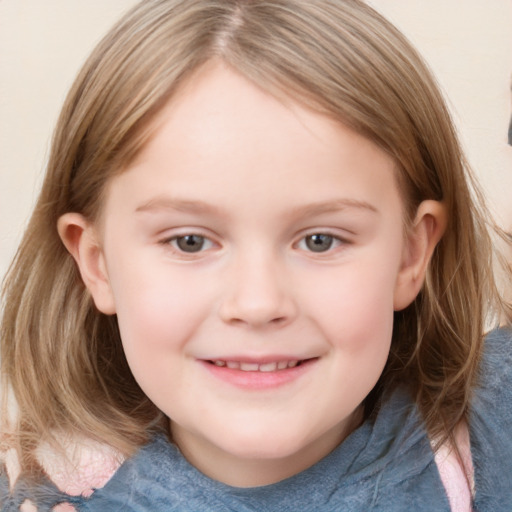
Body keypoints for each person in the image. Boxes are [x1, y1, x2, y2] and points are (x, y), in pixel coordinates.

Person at [1, 0, 511, 510]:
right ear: (97, 263)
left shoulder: (494, 433)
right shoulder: (33, 491)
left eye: (320, 240)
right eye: (190, 241)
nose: (258, 302)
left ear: (410, 254)